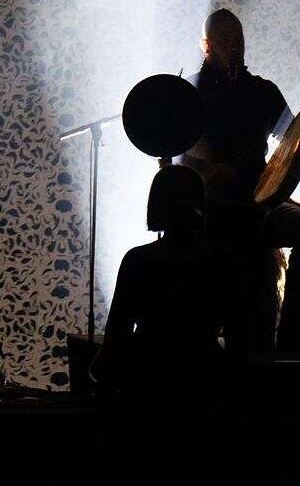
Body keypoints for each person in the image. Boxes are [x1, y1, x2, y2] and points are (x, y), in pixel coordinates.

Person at [178, 8, 300, 353]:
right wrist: (206, 173)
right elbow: (174, 160)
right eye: (225, 39)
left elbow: (291, 137)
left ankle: (292, 325)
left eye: (238, 38)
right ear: (207, 45)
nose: (234, 45)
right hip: (207, 207)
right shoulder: (189, 94)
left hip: (257, 201)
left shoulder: (262, 91)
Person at [92, 165, 221, 400]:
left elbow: (118, 331)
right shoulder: (219, 259)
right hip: (205, 375)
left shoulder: (138, 259)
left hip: (148, 374)